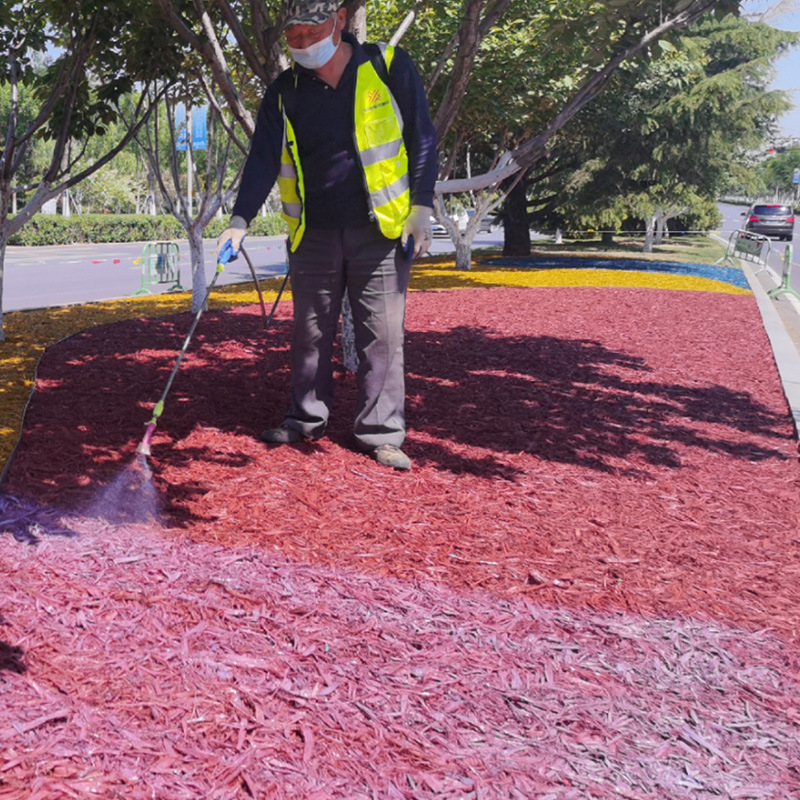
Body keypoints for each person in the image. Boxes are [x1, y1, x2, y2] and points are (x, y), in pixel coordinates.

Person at [217, 0, 437, 471]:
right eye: (292, 38)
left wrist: (421, 205)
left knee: (382, 335)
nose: (301, 46)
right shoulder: (283, 91)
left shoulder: (387, 66)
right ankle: (304, 420)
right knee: (310, 332)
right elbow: (261, 160)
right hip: (313, 233)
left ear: (337, 20)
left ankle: (381, 433)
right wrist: (239, 222)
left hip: (380, 229)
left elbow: (422, 136)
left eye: (309, 34)